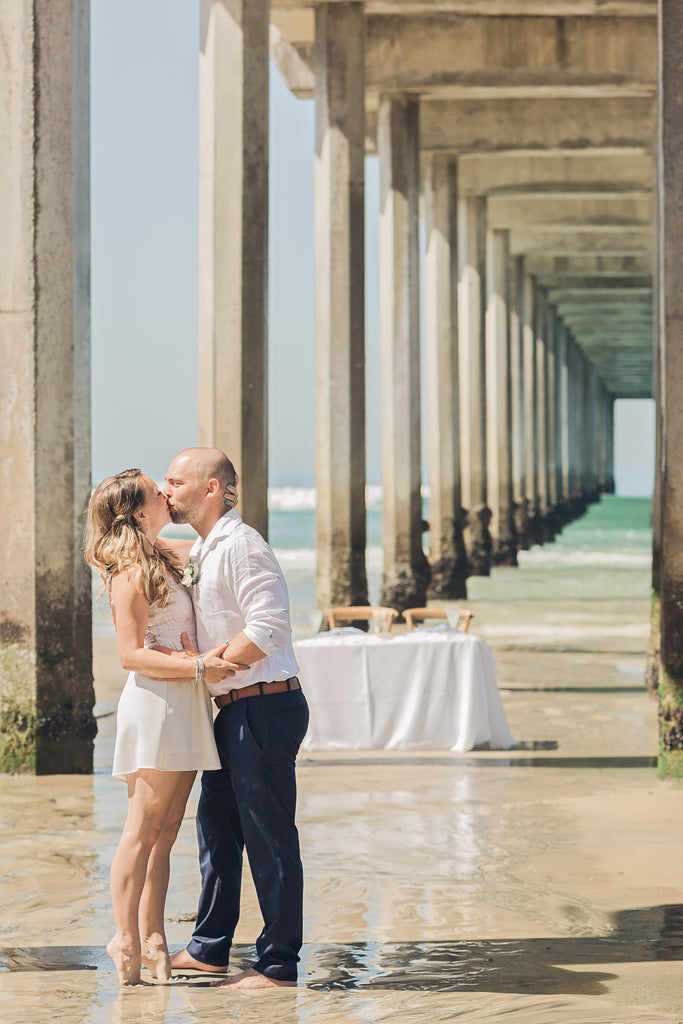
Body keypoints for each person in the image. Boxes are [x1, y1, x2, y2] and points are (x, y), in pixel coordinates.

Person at [85, 469, 242, 986]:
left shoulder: (164, 555)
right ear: (136, 511)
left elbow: (211, 538)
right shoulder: (129, 570)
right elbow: (131, 655)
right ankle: (124, 936)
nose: (167, 496)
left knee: (167, 831)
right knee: (141, 828)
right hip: (157, 703)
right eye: (158, 492)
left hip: (187, 700)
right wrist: (199, 666)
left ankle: (155, 936)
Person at [163, 447, 309, 990]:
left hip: (264, 704)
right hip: (232, 708)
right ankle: (209, 948)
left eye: (176, 481)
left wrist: (207, 666)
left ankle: (277, 965)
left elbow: (270, 626)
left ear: (212, 489)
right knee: (218, 831)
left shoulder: (243, 545)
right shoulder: (205, 546)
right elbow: (155, 545)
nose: (166, 489)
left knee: (268, 836)